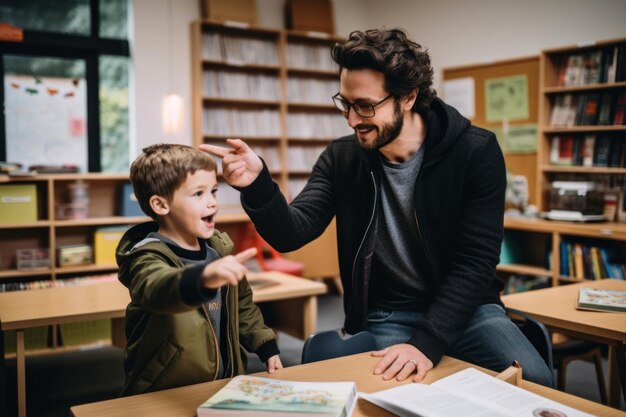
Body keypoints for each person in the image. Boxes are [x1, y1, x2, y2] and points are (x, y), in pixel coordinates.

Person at [202, 28, 553, 387]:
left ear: (408, 97)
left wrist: (426, 344)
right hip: (389, 313)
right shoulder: (342, 157)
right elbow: (293, 231)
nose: (353, 119)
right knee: (382, 397)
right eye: (346, 104)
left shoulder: (475, 152)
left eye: (366, 106)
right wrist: (258, 185)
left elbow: (476, 263)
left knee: (538, 385)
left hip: (469, 310)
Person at [116, 143, 282, 396]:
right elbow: (157, 287)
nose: (213, 203)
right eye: (198, 194)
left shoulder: (218, 250)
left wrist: (266, 345)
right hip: (164, 390)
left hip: (224, 382)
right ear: (161, 205)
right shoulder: (146, 255)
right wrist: (202, 278)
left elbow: (242, 305)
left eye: (214, 191)